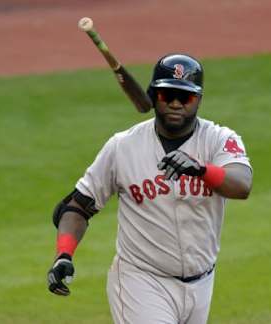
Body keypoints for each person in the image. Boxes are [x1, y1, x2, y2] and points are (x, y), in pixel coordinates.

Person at [47, 53, 253, 324]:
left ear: (199, 100)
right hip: (141, 282)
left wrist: (201, 170)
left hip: (202, 283)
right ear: (154, 96)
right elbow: (78, 206)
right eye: (168, 96)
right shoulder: (123, 147)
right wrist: (64, 254)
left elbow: (242, 185)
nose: (176, 104)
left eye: (186, 97)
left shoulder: (219, 140)